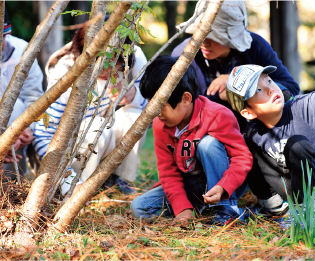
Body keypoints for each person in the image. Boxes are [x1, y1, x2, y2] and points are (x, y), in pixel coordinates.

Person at [225, 28, 315, 225]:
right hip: (289, 185)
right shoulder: (254, 132)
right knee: (247, 147)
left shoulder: (304, 108)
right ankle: (276, 206)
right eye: (259, 90)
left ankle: (309, 213)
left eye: (269, 80)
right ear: (248, 112)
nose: (271, 89)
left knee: (297, 145)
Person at [130, 56, 253, 225]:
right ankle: (200, 208)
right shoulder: (160, 125)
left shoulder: (217, 115)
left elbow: (242, 157)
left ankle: (226, 209)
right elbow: (168, 172)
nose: (155, 113)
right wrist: (182, 209)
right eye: (151, 105)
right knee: (140, 207)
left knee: (207, 145)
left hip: (224, 181)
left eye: (160, 107)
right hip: (192, 185)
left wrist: (223, 187)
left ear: (185, 99)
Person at [32, 24, 148, 196]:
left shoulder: (134, 58)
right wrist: (67, 180)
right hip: (70, 155)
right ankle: (81, 187)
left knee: (136, 115)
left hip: (103, 140)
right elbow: (43, 133)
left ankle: (118, 179)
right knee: (96, 127)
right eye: (97, 60)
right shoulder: (66, 75)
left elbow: (152, 112)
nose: (104, 69)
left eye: (111, 62)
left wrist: (134, 96)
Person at [172, 0, 299, 133]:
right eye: (200, 34)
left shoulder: (255, 46)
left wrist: (244, 80)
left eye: (212, 37)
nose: (204, 42)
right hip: (205, 135)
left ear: (232, 36)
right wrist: (220, 95)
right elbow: (179, 109)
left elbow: (291, 89)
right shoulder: (183, 55)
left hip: (259, 134)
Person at [1, 8, 43, 177]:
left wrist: (27, 129)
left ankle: (12, 182)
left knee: (16, 107)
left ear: (6, 34)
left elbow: (33, 97)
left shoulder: (22, 51)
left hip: (16, 124)